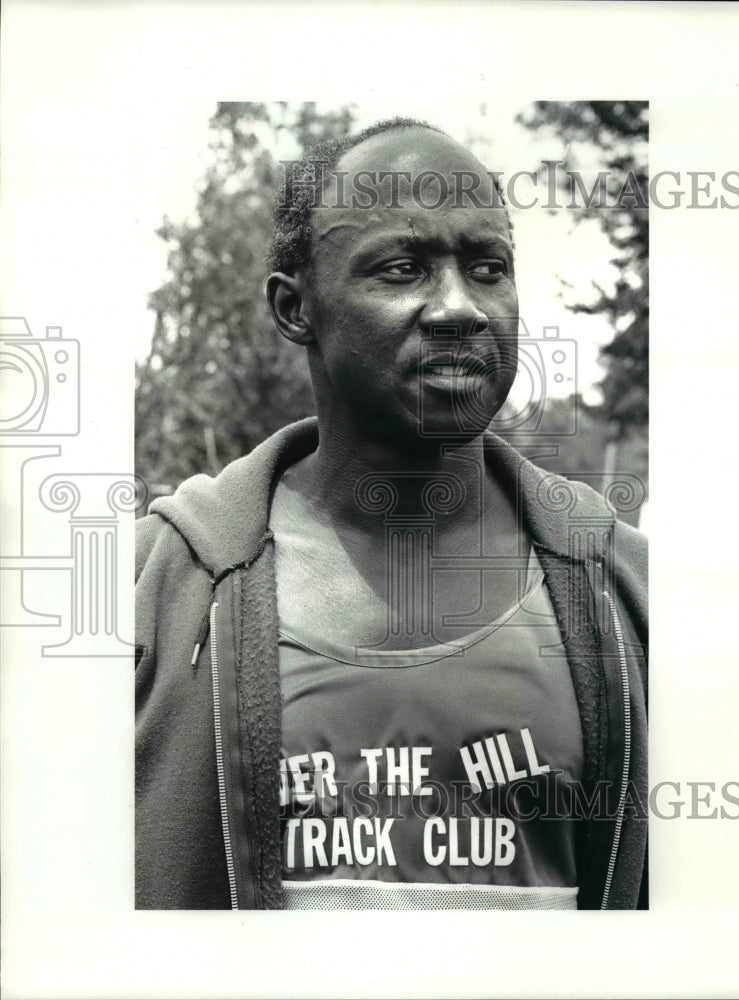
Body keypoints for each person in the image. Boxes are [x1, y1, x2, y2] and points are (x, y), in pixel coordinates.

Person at [135, 117, 648, 910]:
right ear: (294, 308)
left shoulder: (631, 597)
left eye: (487, 268)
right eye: (402, 268)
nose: (459, 308)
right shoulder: (150, 591)